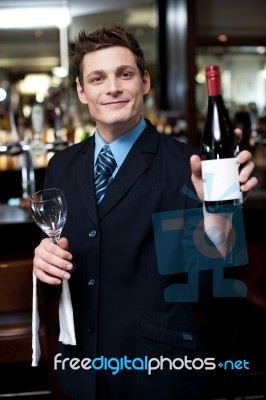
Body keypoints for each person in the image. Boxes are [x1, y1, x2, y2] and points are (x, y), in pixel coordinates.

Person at [33, 25, 258, 400]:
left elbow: (205, 287)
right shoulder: (61, 166)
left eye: (125, 74)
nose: (113, 87)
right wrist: (44, 264)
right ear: (81, 91)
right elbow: (58, 266)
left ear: (145, 82)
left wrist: (217, 211)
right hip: (80, 374)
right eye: (98, 78)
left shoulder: (187, 165)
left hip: (156, 377)